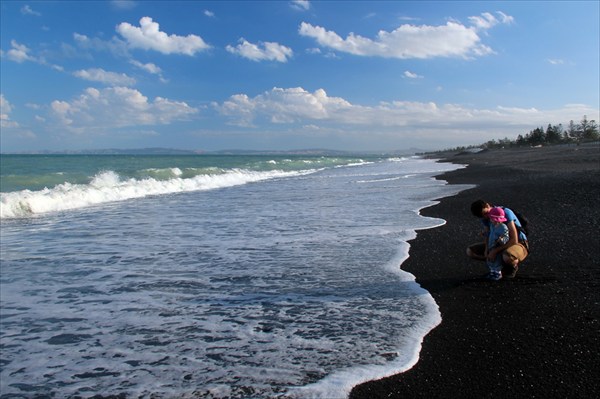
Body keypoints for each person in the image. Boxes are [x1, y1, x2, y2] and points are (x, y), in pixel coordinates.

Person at [467, 199, 529, 278]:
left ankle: (512, 266)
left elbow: (514, 240)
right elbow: (488, 234)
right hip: (497, 243)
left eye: (486, 213)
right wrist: (487, 250)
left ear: (488, 205)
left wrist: (495, 251)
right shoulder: (485, 218)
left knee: (507, 257)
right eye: (483, 216)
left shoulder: (505, 213)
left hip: (518, 243)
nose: (486, 217)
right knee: (470, 252)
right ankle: (497, 266)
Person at [485, 207, 510, 280]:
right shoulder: (492, 226)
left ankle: (498, 274)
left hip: (497, 246)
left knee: (497, 261)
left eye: (492, 218)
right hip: (491, 245)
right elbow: (490, 233)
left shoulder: (503, 227)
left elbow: (506, 236)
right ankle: (492, 272)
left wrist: (501, 240)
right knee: (490, 260)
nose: (490, 220)